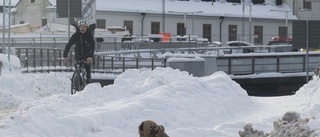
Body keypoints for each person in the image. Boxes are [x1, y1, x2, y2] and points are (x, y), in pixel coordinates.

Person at [63, 19, 95, 83]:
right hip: (78, 54)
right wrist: (65, 56)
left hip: (87, 55)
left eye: (84, 27)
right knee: (77, 69)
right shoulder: (75, 35)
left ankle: (88, 78)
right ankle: (78, 81)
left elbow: (92, 46)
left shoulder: (89, 36)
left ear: (86, 28)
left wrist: (90, 56)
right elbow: (69, 45)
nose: (82, 29)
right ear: (79, 27)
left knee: (87, 67)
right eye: (81, 27)